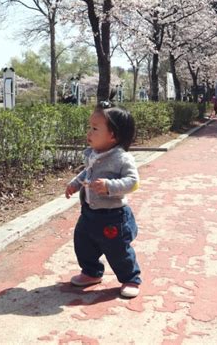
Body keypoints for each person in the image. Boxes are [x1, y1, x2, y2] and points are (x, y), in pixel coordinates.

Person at [65, 102, 142, 299]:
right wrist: (75, 183)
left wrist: (110, 186)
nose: (89, 133)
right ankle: (91, 272)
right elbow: (87, 173)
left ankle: (130, 278)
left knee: (118, 251)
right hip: (89, 213)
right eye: (89, 127)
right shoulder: (94, 154)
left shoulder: (122, 158)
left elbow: (133, 182)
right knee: (82, 243)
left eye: (95, 129)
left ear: (113, 135)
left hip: (113, 216)